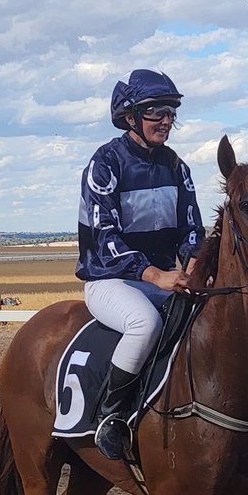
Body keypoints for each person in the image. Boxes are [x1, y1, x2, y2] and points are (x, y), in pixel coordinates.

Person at [77, 68, 205, 459]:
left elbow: (192, 229)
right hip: (110, 279)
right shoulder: (105, 164)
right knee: (143, 323)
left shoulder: (176, 166)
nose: (166, 120)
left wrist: (196, 262)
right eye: (156, 112)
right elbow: (105, 237)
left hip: (165, 279)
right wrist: (155, 275)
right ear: (131, 117)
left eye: (170, 112)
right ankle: (111, 417)